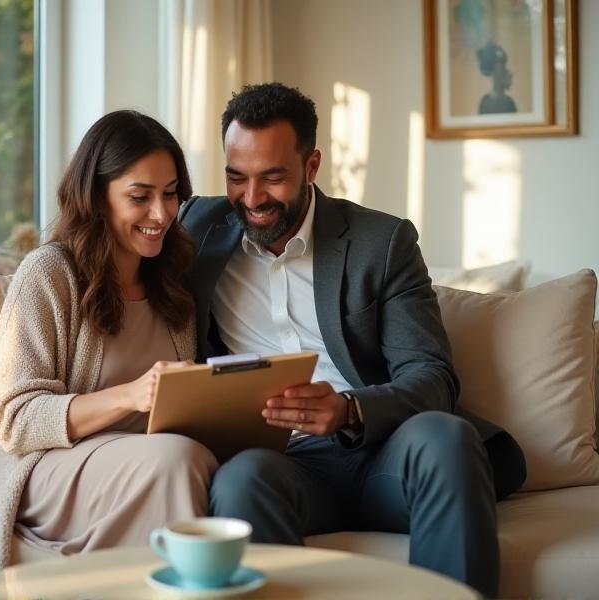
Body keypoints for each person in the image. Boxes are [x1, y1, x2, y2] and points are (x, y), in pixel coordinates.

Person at [179, 83, 526, 598]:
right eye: (236, 177)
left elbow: (432, 377)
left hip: (383, 454)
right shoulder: (197, 228)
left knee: (446, 437)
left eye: (273, 177)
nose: (251, 200)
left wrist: (348, 410)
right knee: (240, 477)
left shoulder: (381, 242)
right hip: (286, 466)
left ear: (312, 165)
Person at [0, 110, 217, 587]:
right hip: (44, 465)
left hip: (142, 460)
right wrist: (130, 396)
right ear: (97, 196)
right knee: (178, 461)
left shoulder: (174, 281)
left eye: (171, 193)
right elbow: (13, 419)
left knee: (196, 459)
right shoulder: (49, 273)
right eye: (140, 196)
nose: (161, 214)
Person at [477, 42, 517, 114]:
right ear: (493, 73)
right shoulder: (485, 103)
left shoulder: (509, 103)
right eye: (501, 69)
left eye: (503, 67)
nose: (508, 73)